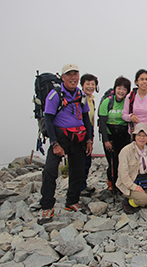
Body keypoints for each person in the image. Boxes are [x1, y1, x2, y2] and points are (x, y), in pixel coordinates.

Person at [38, 63, 93, 225]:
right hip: (60, 137)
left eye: (75, 74)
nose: (73, 77)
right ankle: (47, 205)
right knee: (49, 170)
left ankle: (72, 201)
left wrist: (89, 139)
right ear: (62, 78)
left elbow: (86, 119)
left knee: (78, 170)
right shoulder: (55, 95)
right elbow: (48, 119)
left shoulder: (80, 95)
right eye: (69, 75)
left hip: (79, 137)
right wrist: (54, 143)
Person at [98, 76, 131, 193]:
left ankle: (121, 184)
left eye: (124, 89)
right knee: (112, 162)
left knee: (123, 162)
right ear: (115, 88)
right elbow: (102, 122)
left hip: (123, 137)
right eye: (119, 88)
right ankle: (112, 184)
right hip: (110, 136)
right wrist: (106, 140)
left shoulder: (127, 102)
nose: (121, 91)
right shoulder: (107, 102)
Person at [122, 69, 147, 136]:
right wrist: (131, 117)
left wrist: (142, 128)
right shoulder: (130, 96)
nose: (144, 82)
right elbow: (124, 115)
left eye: (146, 79)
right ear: (136, 82)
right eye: (142, 79)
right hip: (133, 133)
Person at [80, 73, 99, 195]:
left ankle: (83, 185)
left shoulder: (91, 100)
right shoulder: (79, 99)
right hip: (78, 134)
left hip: (88, 134)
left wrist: (91, 138)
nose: (90, 86)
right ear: (82, 85)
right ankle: (77, 188)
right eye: (88, 84)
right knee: (79, 162)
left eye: (93, 84)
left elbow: (91, 120)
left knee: (87, 161)